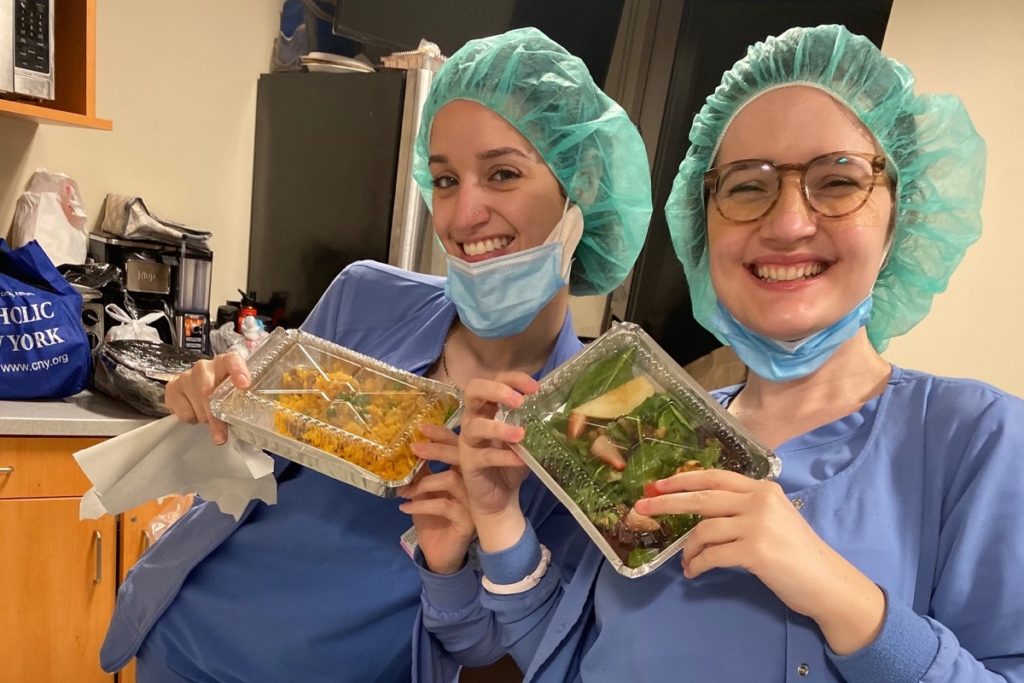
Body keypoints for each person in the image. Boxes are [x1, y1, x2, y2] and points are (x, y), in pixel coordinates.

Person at [431, 24, 1024, 682]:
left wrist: (840, 597)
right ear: (703, 224)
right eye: (746, 186)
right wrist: (500, 519)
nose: (788, 223)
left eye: (837, 181)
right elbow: (568, 653)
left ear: (899, 216)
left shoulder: (979, 442)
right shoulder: (647, 423)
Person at [99, 27, 651, 682]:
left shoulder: (595, 427)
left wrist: (455, 559)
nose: (462, 215)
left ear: (580, 186)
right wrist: (214, 406)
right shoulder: (367, 297)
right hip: (183, 642)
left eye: (502, 173)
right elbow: (254, 468)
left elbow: (499, 649)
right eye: (445, 179)